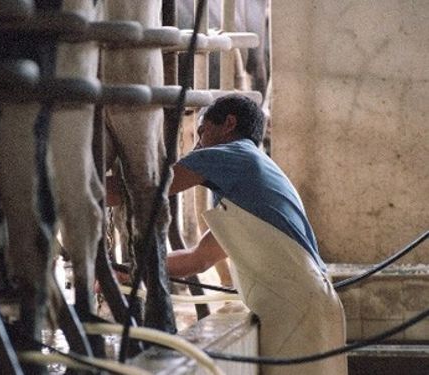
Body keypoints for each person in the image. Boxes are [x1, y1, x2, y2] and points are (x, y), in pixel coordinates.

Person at [107, 94, 347, 375]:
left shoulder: (233, 155)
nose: (197, 144)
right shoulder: (252, 183)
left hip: (294, 308)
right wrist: (131, 271)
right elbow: (197, 260)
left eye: (202, 131)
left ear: (229, 124)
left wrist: (73, 185)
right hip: (316, 304)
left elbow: (145, 189)